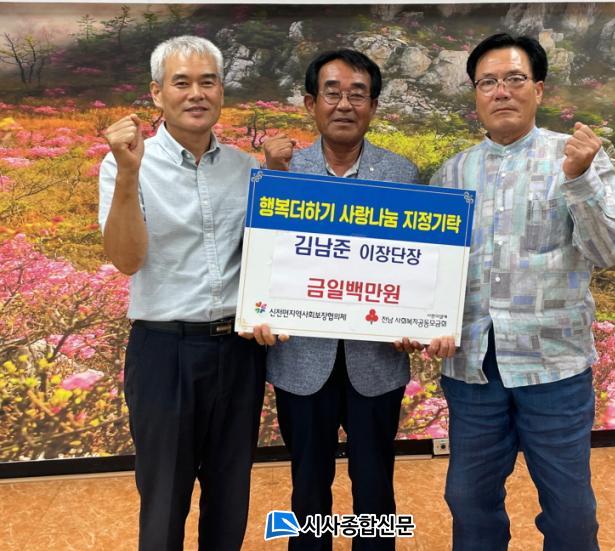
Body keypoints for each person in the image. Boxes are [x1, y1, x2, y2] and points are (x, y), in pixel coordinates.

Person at [430, 33, 615, 551]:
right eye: (488, 82)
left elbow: (612, 250)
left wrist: (580, 180)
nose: (501, 91)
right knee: (468, 501)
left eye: (514, 79)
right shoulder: (451, 173)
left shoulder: (578, 158)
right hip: (473, 369)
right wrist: (423, 320)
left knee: (570, 513)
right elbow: (432, 269)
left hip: (554, 367)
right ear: (476, 95)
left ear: (538, 89)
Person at [258, 49, 454, 550]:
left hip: (378, 362)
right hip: (301, 359)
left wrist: (418, 322)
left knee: (375, 485)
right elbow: (260, 255)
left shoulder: (402, 174)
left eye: (358, 94)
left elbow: (419, 267)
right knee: (308, 487)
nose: (344, 104)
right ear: (311, 103)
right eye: (332, 93)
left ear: (373, 106)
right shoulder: (282, 169)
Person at [98, 35, 265, 550]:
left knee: (230, 495)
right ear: (157, 93)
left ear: (221, 91)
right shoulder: (125, 164)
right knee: (164, 500)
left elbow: (267, 258)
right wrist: (130, 174)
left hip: (238, 351)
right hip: (163, 351)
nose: (197, 93)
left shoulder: (247, 168)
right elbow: (126, 259)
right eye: (182, 82)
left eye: (207, 82)